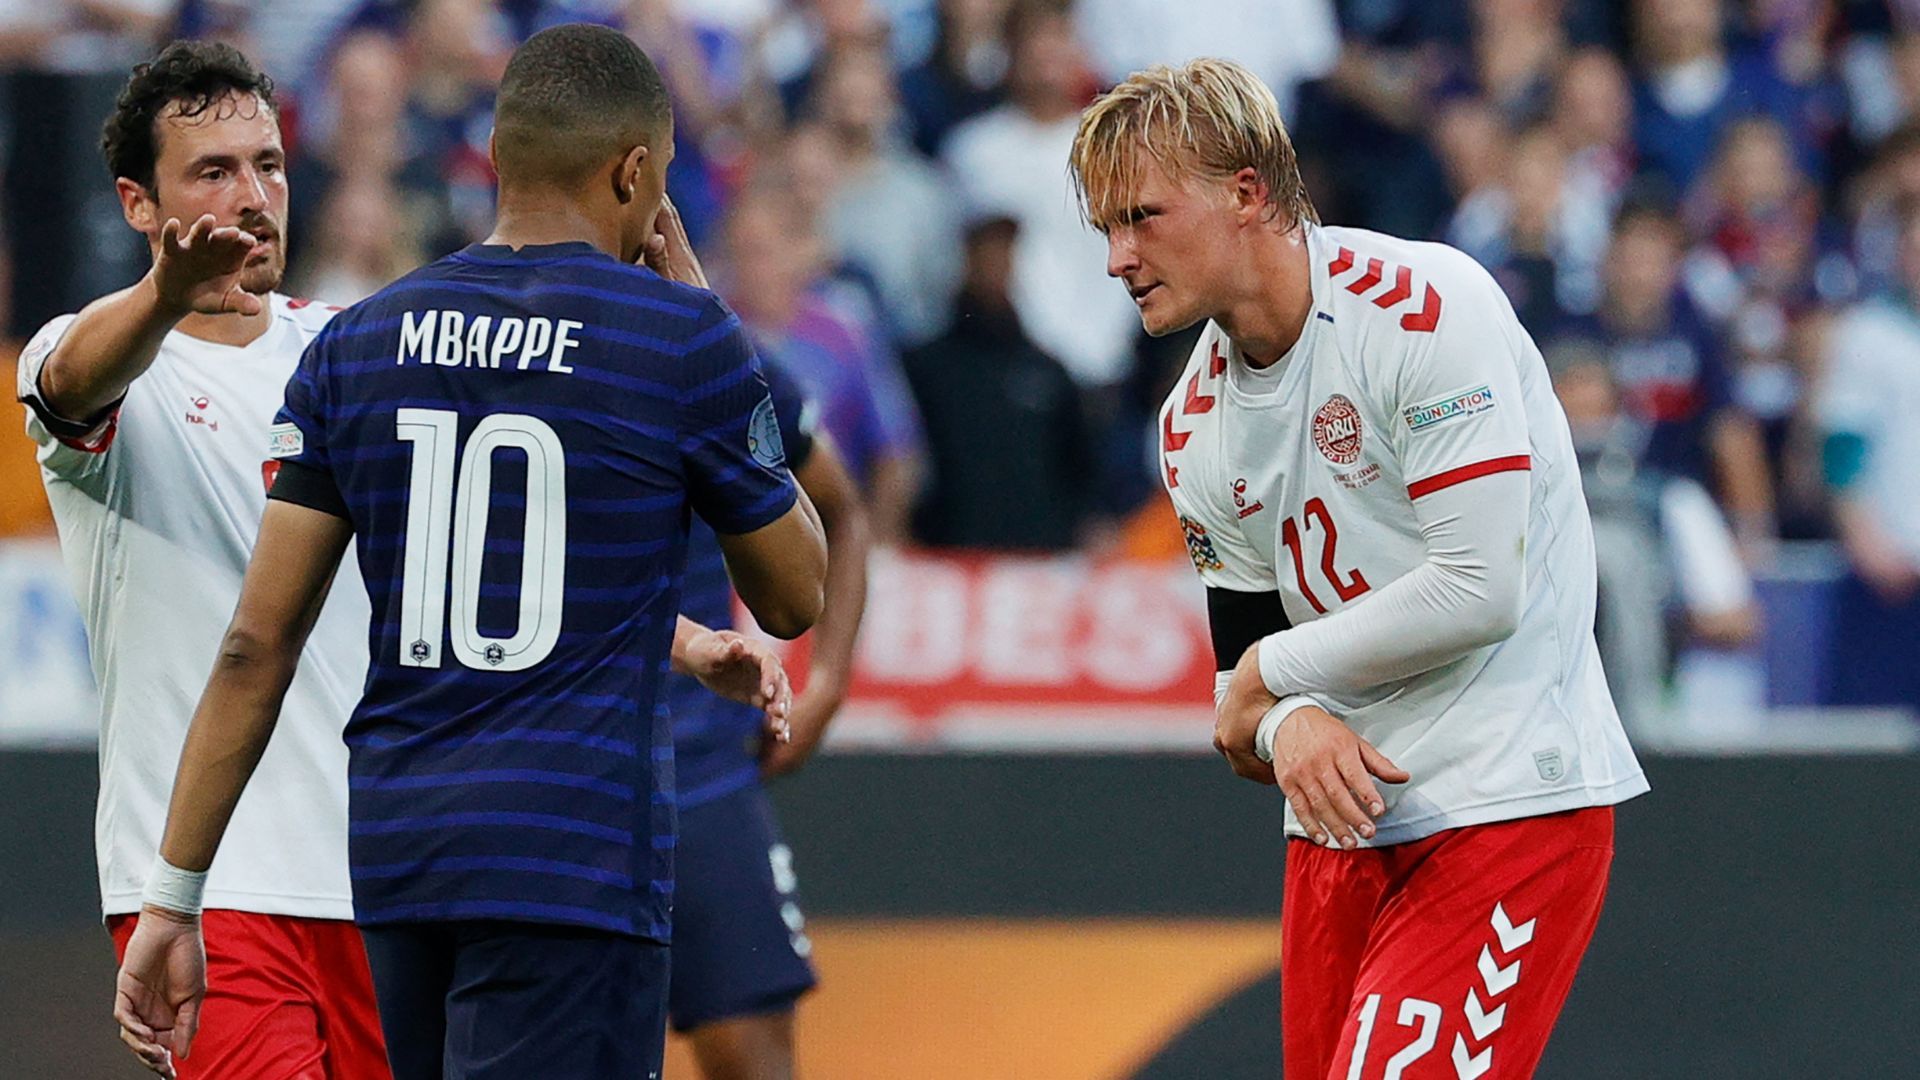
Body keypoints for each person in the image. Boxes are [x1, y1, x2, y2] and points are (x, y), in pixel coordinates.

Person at [112, 23, 828, 1080]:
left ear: (500, 158)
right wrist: (708, 318)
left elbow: (254, 646)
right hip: (572, 853)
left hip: (404, 857)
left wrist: (174, 897)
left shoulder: (359, 341)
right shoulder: (674, 339)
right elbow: (794, 587)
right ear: (636, 173)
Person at [1069, 59, 1647, 1080]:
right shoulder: (1192, 427)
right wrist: (1284, 712)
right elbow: (1241, 694)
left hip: (1505, 797)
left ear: (1246, 191)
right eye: (1105, 228)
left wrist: (1268, 681)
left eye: (1142, 217)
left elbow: (1480, 585)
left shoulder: (1425, 305)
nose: (1117, 256)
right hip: (1339, 829)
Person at [13, 40, 390, 1080]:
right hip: (207, 889)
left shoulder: (356, 353)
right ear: (140, 205)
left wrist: (674, 637)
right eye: (214, 172)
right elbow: (78, 377)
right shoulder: (91, 355)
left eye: (267, 164)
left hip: (388, 879)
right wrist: (170, 294)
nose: (254, 194)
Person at [660, 232, 872, 1080]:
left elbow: (844, 511)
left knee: (753, 1059)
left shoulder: (711, 355)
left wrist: (828, 683)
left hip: (702, 766)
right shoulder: (506, 349)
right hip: (555, 768)